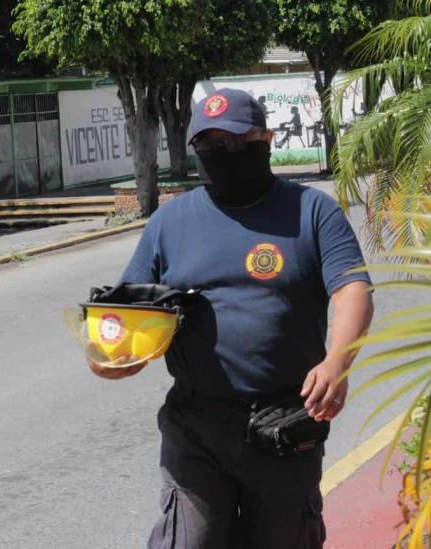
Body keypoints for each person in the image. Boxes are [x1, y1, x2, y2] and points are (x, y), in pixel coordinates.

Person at [86, 88, 374, 548]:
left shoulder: (312, 211)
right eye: (209, 147)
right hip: (196, 423)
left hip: (285, 420)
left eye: (236, 143)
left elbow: (352, 288)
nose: (223, 155)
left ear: (266, 138)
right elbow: (129, 312)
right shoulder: (170, 221)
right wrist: (111, 354)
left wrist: (338, 361)